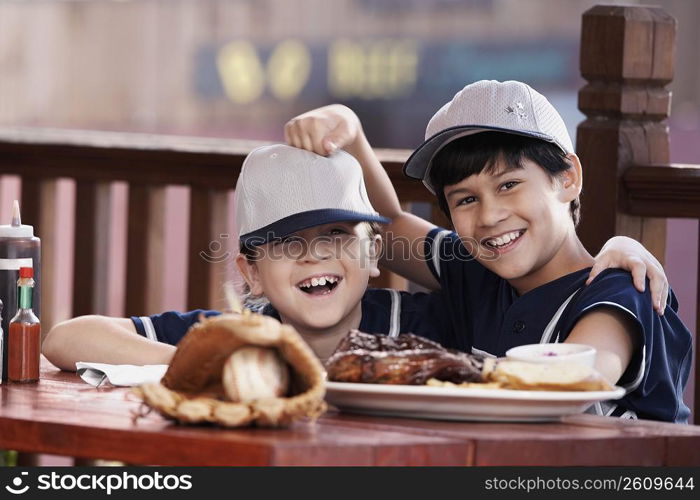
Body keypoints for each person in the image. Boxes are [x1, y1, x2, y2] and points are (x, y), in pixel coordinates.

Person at [284, 80, 692, 422]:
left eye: (509, 185)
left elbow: (576, 378)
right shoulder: (474, 270)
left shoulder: (621, 290)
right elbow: (387, 226)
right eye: (464, 200)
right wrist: (351, 133)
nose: (490, 216)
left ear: (568, 178)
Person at [42, 144, 450, 368]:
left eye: (336, 234)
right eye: (287, 243)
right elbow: (66, 339)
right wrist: (213, 364)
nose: (313, 256)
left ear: (373, 252)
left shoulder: (429, 325)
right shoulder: (234, 339)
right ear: (251, 273)